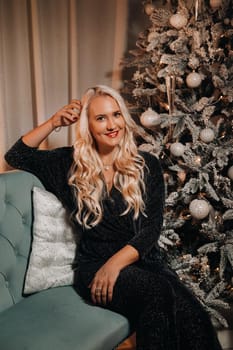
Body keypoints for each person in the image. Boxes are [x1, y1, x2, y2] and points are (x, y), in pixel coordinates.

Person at [5, 85, 222, 350]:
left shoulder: (146, 164)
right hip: (94, 267)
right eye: (101, 118)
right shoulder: (69, 164)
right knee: (157, 293)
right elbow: (16, 155)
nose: (111, 125)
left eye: (116, 115)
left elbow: (152, 227)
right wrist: (53, 122)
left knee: (194, 316)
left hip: (143, 262)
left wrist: (116, 264)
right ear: (88, 126)